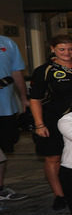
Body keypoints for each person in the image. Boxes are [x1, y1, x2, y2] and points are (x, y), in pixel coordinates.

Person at [29, 34, 72, 209]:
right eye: (62, 49)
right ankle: (59, 195)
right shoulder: (44, 70)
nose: (67, 52)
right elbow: (35, 99)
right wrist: (39, 124)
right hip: (53, 121)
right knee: (54, 158)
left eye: (70, 49)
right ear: (52, 49)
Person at [0, 33, 28, 203]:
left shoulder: (7, 43)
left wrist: (24, 98)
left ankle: (1, 189)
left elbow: (16, 74)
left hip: (6, 108)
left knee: (4, 150)